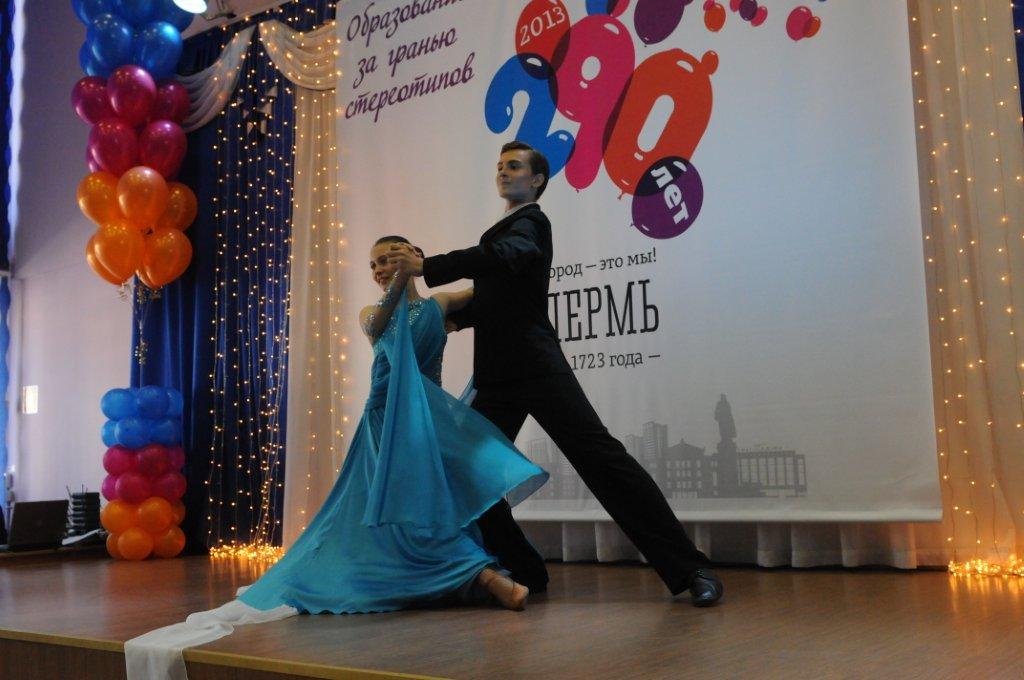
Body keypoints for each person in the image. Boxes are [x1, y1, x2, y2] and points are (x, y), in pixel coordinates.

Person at [126, 236, 549, 680]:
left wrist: (517, 275)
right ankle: (484, 578)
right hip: (384, 428)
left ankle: (482, 576)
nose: (380, 269)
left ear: (414, 257)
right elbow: (379, 326)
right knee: (399, 513)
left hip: (427, 424)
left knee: (432, 509)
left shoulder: (438, 306)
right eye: (374, 264)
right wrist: (403, 276)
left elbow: (488, 290)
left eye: (388, 259)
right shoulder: (371, 312)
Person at [386, 142, 724, 607]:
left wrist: (428, 267)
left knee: (603, 462)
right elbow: (502, 296)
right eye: (500, 166)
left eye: (514, 166)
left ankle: (692, 568)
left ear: (537, 180)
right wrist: (453, 319)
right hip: (498, 376)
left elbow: (510, 253)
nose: (504, 172)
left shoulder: (530, 224)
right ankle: (524, 568)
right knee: (467, 474)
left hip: (537, 367)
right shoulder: (504, 233)